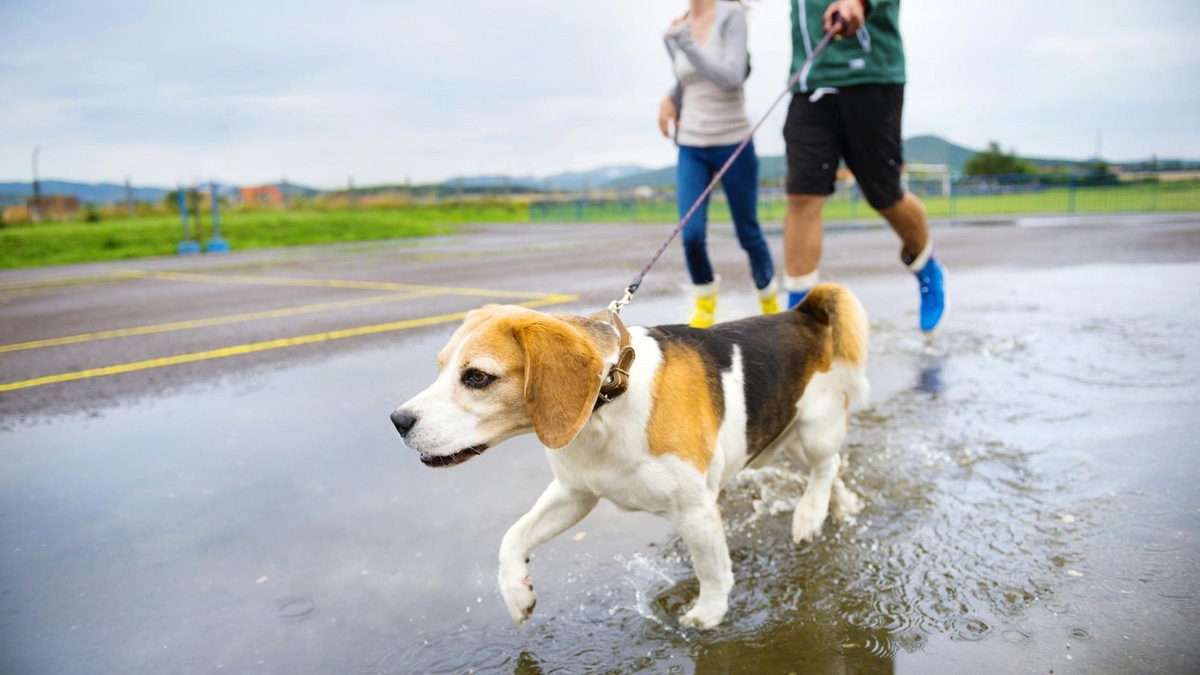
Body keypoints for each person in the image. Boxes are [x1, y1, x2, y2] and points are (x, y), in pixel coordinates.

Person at [782, 0, 946, 335]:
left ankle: (926, 265)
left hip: (871, 75)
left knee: (885, 195)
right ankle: (799, 321)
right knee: (802, 195)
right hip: (810, 79)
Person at [661, 0, 779, 328]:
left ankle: (770, 305)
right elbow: (687, 81)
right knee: (691, 234)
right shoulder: (675, 30)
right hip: (691, 143)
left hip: (733, 140)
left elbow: (731, 76)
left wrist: (686, 42)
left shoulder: (731, 16)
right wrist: (669, 98)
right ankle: (704, 305)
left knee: (748, 232)